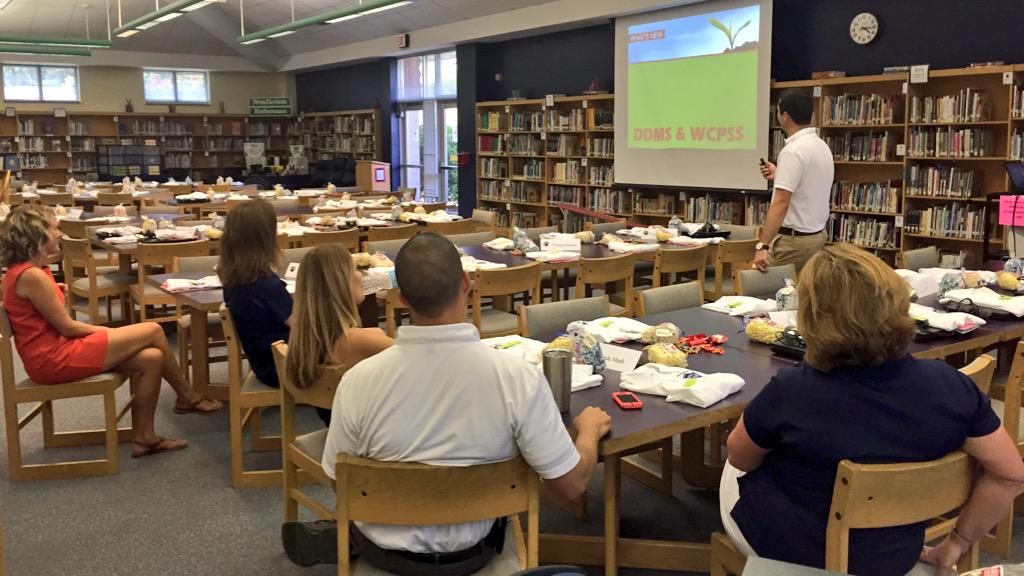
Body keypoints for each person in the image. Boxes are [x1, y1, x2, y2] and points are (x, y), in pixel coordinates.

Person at [282, 232, 612, 574]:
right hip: (475, 554)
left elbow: (339, 481)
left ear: (403, 299)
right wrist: (587, 432)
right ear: (466, 284)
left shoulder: (356, 382)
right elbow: (571, 485)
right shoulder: (518, 378)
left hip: (381, 553)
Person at [720, 244, 1024, 576]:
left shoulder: (791, 390)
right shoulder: (952, 386)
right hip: (896, 553)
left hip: (793, 552)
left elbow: (741, 459)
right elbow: (1010, 474)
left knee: (736, 460)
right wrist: (958, 541)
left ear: (811, 317)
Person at [0, 205, 222, 458]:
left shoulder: (31, 272)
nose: (60, 234)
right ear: (37, 235)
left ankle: (145, 438)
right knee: (152, 330)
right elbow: (68, 327)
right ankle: (188, 396)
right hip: (53, 358)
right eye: (54, 228)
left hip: (53, 351)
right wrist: (105, 333)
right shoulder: (31, 276)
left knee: (152, 358)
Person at [286, 244, 393, 423]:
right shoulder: (357, 340)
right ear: (341, 284)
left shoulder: (308, 338)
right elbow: (419, 361)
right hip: (369, 439)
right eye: (355, 269)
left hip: (339, 430)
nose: (360, 275)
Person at [754, 88, 834, 273]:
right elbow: (809, 182)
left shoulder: (793, 151)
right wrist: (780, 174)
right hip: (816, 235)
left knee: (760, 289)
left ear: (785, 116)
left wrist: (763, 246)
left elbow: (781, 204)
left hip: (793, 243)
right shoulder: (821, 146)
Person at [219, 199, 291, 392]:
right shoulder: (266, 284)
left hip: (263, 363)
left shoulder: (234, 278)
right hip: (283, 366)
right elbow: (302, 326)